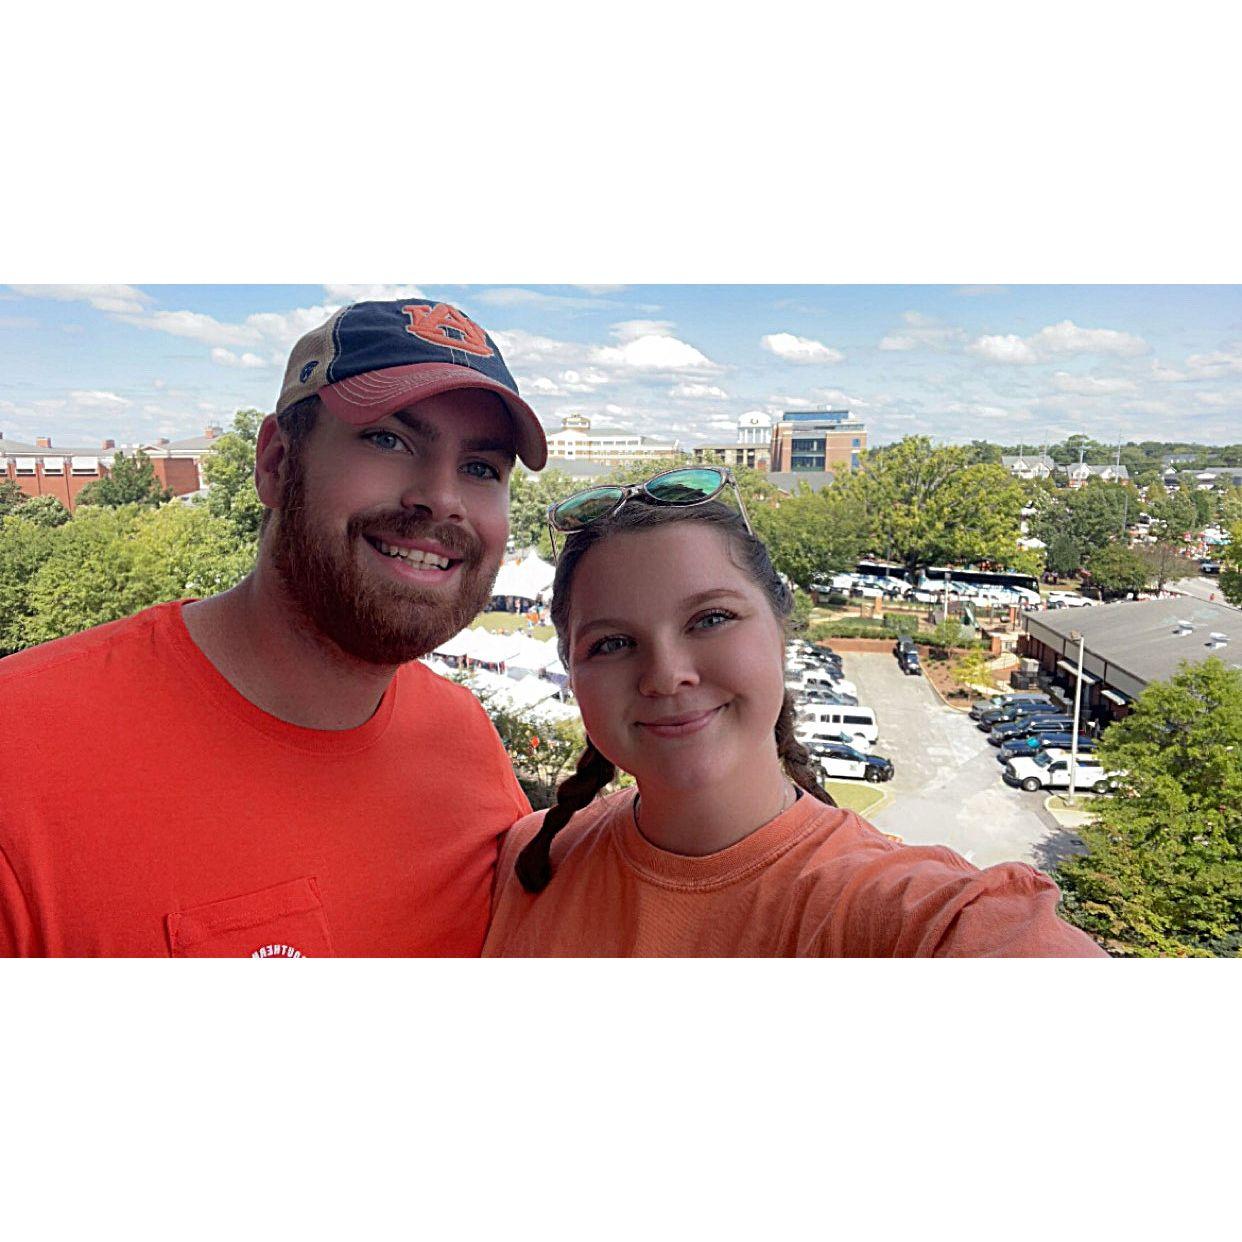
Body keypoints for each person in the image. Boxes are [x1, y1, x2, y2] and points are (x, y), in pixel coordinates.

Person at [0, 298, 547, 957]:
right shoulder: (23, 753)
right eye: (388, 440)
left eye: (482, 468)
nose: (443, 497)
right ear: (276, 462)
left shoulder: (468, 746)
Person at [484, 469, 1107, 957]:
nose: (666, 673)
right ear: (572, 670)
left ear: (782, 634)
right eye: (612, 643)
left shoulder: (901, 914)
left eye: (711, 618)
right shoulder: (529, 859)